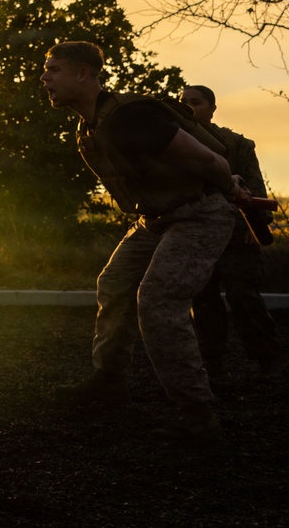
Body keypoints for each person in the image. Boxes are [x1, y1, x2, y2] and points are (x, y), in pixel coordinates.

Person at [40, 41, 247, 444]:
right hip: (155, 219)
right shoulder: (89, 125)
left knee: (158, 301)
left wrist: (230, 187)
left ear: (84, 74)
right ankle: (110, 380)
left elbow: (209, 161)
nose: (44, 77)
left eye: (54, 69)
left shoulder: (131, 117)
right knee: (114, 284)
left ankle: (197, 416)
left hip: (200, 212)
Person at [180, 85, 281, 383]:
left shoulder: (237, 144)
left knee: (244, 297)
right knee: (203, 300)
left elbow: (255, 187)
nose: (188, 107)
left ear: (212, 108)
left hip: (237, 233)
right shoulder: (176, 143)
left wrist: (256, 225)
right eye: (183, 102)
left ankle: (267, 361)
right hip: (197, 233)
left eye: (195, 102)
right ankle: (213, 365)